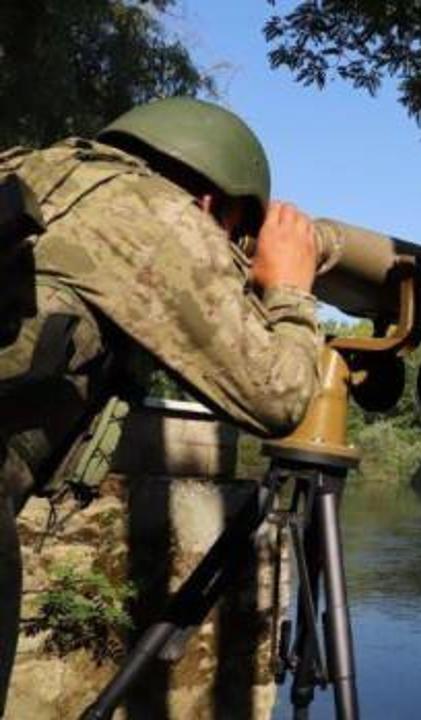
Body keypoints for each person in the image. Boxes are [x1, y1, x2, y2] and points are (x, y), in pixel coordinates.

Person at [0, 97, 325, 714]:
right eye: (234, 232)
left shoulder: (32, 168)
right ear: (212, 203)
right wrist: (288, 290)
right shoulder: (162, 214)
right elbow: (277, 395)